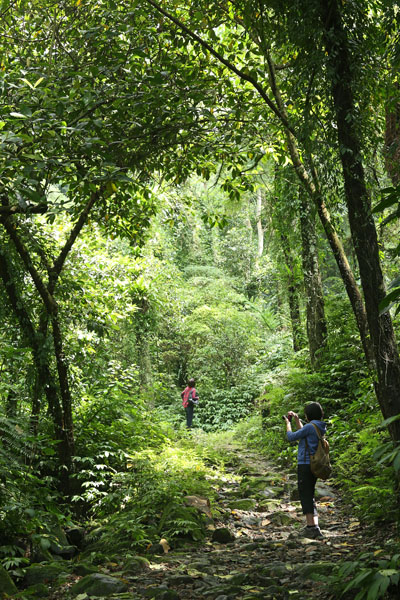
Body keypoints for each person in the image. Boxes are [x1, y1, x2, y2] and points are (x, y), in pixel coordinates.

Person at [283, 401, 327, 539]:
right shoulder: (318, 426)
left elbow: (291, 437)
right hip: (314, 465)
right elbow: (304, 434)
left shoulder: (309, 427)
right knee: (310, 493)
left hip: (305, 465)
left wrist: (288, 424)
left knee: (305, 495)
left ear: (307, 416)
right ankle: (314, 526)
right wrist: (296, 419)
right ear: (321, 414)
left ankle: (311, 527)